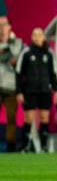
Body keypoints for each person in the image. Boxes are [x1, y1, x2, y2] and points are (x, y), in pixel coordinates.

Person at [16, 28, 57, 152]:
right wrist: (19, 91)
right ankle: (24, 146)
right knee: (28, 119)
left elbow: (53, 74)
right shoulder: (26, 52)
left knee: (44, 118)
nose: (37, 37)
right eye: (34, 35)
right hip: (29, 91)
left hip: (45, 91)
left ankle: (44, 147)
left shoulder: (49, 53)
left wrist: (56, 91)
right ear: (31, 37)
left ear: (43, 37)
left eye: (39, 35)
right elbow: (18, 74)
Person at [0, 18, 23, 152]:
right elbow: (9, 58)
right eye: (0, 25)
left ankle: (10, 147)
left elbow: (16, 58)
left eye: (4, 24)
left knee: (11, 119)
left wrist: (8, 47)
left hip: (10, 86)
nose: (2, 28)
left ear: (10, 26)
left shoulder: (17, 43)